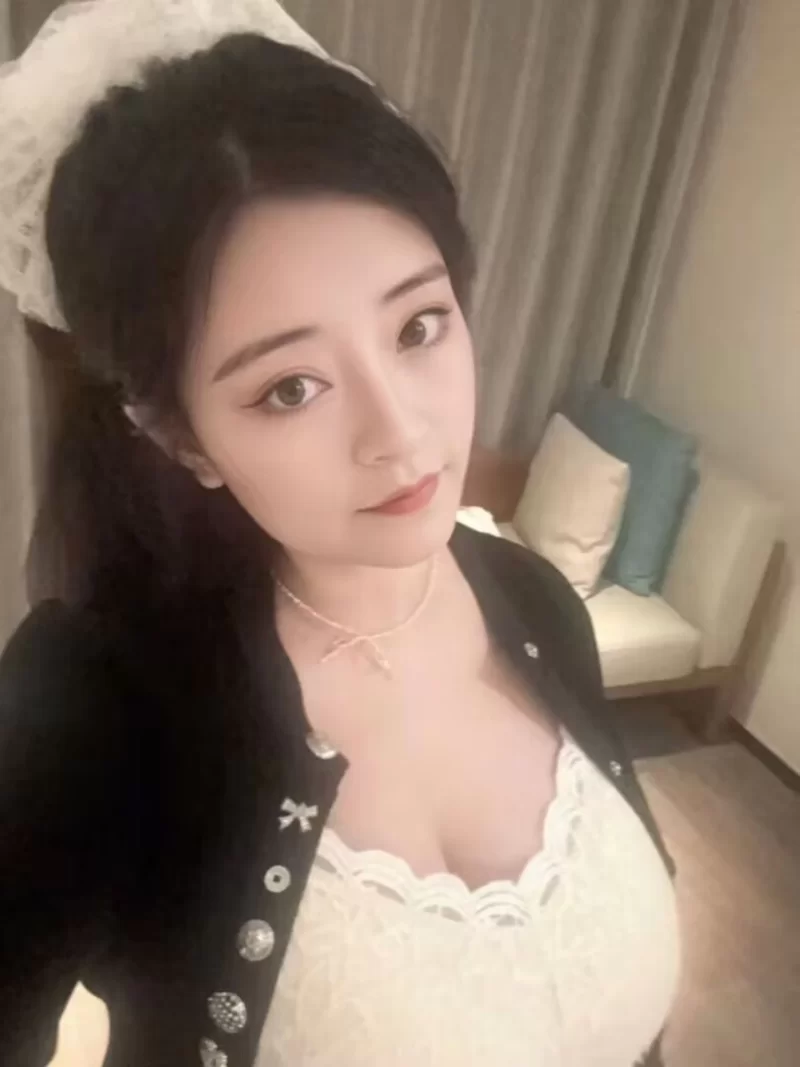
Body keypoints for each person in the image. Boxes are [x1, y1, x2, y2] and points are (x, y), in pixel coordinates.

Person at [0, 2, 680, 1065]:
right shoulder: (93, 707)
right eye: (290, 387)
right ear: (183, 439)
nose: (400, 432)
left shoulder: (534, 599)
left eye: (418, 325)